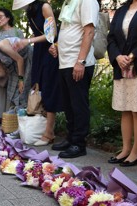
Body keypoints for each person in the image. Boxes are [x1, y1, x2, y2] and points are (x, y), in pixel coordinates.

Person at [107, 0, 137, 167]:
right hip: (121, 66)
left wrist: (134, 55)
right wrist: (118, 57)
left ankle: (136, 152)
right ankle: (125, 149)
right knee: (125, 109)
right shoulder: (122, 9)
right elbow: (111, 37)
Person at [49, 0, 99, 158]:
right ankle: (71, 138)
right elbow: (70, 30)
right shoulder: (68, 3)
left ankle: (79, 144)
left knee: (78, 105)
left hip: (78, 62)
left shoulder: (87, 1)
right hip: (65, 62)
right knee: (68, 104)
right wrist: (56, 46)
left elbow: (89, 31)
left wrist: (81, 61)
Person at [12, 0, 62, 146]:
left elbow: (52, 34)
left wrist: (28, 40)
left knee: (49, 89)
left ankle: (49, 133)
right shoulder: (30, 10)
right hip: (39, 52)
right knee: (37, 88)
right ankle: (40, 128)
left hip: (51, 51)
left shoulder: (45, 7)